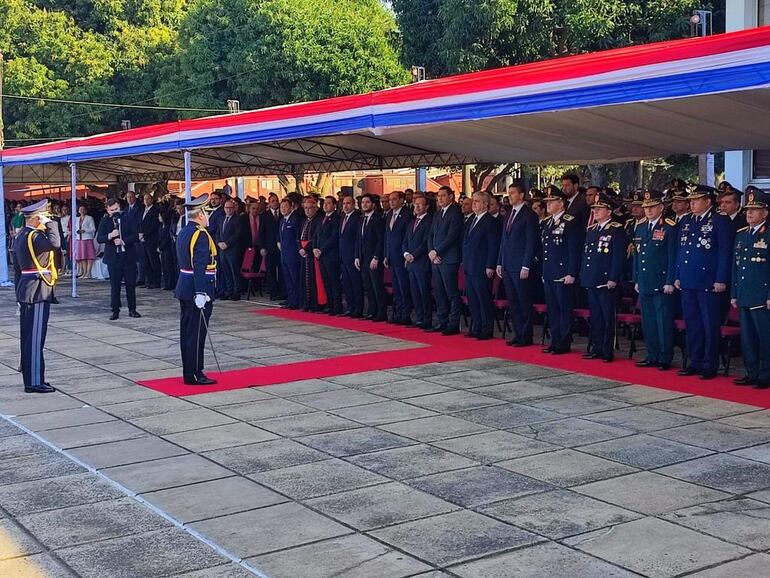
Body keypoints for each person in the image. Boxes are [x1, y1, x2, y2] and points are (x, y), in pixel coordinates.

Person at [675, 185, 734, 380]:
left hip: (709, 281)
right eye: (691, 200)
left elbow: (726, 252)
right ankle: (695, 361)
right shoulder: (686, 221)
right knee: (693, 324)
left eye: (696, 200)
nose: (691, 203)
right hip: (688, 280)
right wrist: (678, 274)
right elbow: (681, 251)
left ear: (708, 201)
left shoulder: (719, 220)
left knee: (709, 324)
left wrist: (721, 279)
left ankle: (710, 364)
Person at [13, 199, 60, 393]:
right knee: (35, 339)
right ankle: (33, 381)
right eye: (44, 216)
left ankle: (34, 377)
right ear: (36, 218)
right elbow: (55, 243)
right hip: (38, 290)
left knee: (28, 337)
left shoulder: (20, 236)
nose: (46, 219)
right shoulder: (35, 237)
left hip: (26, 288)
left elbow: (17, 269)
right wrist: (52, 224)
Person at [175, 194, 218, 386]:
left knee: (188, 332)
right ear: (200, 214)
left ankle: (189, 372)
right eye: (206, 213)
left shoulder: (185, 231)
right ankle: (195, 373)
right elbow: (199, 265)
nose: (208, 216)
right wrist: (201, 292)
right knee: (196, 333)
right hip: (197, 289)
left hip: (184, 286)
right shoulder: (200, 234)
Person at [633, 190, 678, 371]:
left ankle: (665, 356)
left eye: (652, 207)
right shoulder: (641, 227)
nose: (649, 210)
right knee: (648, 320)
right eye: (646, 207)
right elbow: (638, 256)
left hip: (661, 281)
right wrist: (636, 278)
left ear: (661, 207)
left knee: (663, 321)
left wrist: (670, 280)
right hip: (645, 280)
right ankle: (652, 354)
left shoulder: (669, 227)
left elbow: (672, 256)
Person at [580, 192, 627, 362]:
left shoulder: (616, 229)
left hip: (606, 280)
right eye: (594, 208)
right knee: (596, 316)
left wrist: (613, 278)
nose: (596, 211)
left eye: (600, 208)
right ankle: (596, 347)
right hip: (592, 278)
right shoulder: (592, 229)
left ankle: (607, 350)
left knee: (608, 317)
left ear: (609, 211)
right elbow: (587, 255)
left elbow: (618, 256)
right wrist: (584, 276)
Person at [732, 188, 770, 389]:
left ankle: (766, 373)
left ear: (765, 213)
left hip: (761, 295)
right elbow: (735, 266)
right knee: (747, 337)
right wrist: (734, 293)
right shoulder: (741, 235)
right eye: (748, 210)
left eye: (755, 210)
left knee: (764, 337)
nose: (749, 213)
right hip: (744, 293)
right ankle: (751, 371)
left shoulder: (768, 234)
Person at [497, 183, 539, 347]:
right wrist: (500, 262)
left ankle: (526, 335)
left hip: (520, 264)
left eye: (513, 193)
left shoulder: (529, 215)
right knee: (513, 301)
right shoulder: (508, 214)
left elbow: (530, 242)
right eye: (509, 193)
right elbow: (503, 240)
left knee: (523, 301)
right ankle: (518, 333)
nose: (510, 196)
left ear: (521, 195)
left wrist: (526, 265)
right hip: (508, 263)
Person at [541, 189, 580, 354]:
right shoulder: (547, 222)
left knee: (563, 309)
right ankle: (555, 340)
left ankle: (564, 342)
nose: (548, 204)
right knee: (553, 309)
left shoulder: (569, 221)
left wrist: (571, 273)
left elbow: (573, 249)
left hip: (563, 272)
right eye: (547, 201)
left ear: (561, 203)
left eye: (552, 201)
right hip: (550, 272)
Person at [463, 192, 500, 340]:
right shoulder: (472, 219)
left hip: (481, 266)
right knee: (473, 298)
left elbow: (493, 245)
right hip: (470, 265)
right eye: (474, 201)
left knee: (483, 298)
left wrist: (490, 265)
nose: (474, 204)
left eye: (478, 201)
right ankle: (476, 326)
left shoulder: (490, 221)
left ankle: (486, 328)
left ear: (485, 204)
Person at [96, 198, 141, 320]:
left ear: (119, 207)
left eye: (116, 209)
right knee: (114, 286)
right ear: (107, 210)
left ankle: (132, 309)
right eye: (112, 210)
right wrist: (110, 235)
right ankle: (115, 310)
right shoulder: (105, 220)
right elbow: (99, 237)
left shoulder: (128, 217)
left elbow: (135, 235)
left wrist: (123, 241)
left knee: (130, 285)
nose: (115, 212)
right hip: (113, 257)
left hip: (128, 256)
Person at [428, 186, 463, 335]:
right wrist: (431, 251)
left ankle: (454, 323)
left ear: (451, 196)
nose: (440, 198)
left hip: (449, 259)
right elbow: (431, 234)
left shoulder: (455, 212)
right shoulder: (437, 214)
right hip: (436, 259)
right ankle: (442, 321)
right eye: (438, 196)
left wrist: (438, 251)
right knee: (439, 291)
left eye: (443, 195)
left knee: (452, 293)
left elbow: (452, 235)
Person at [403, 195, 433, 328]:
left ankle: (427, 319)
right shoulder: (412, 222)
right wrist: (406, 253)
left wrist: (414, 255)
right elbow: (404, 241)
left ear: (426, 206)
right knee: (414, 292)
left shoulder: (430, 221)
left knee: (424, 291)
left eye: (420, 204)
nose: (417, 207)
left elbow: (426, 242)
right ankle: (419, 317)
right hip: (410, 263)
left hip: (421, 262)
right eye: (415, 204)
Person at [356, 194, 387, 321]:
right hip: (363, 258)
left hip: (374, 258)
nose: (364, 204)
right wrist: (357, 256)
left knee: (377, 286)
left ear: (373, 204)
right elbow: (358, 240)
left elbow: (381, 240)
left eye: (367, 202)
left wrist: (376, 257)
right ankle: (372, 310)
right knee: (368, 286)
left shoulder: (378, 219)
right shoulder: (361, 219)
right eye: (363, 202)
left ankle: (381, 312)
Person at [384, 191, 413, 324]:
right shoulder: (390, 214)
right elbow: (387, 237)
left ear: (401, 200)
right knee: (396, 287)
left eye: (394, 199)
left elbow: (406, 237)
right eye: (390, 199)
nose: (391, 202)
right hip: (391, 257)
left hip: (402, 257)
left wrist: (405, 253)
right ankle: (397, 313)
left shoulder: (407, 214)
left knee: (404, 287)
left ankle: (405, 315)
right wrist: (386, 254)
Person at [313, 196, 343, 315]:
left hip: (330, 255)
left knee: (334, 281)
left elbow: (334, 237)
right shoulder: (322, 218)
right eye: (324, 203)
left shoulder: (336, 218)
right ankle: (329, 305)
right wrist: (314, 247)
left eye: (329, 203)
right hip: (321, 255)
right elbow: (315, 235)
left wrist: (321, 249)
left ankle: (337, 306)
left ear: (334, 205)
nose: (325, 205)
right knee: (326, 282)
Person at [299, 196, 325, 311]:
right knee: (304, 280)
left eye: (310, 208)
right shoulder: (304, 221)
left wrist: (306, 249)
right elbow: (299, 237)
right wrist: (300, 248)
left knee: (314, 281)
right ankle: (306, 303)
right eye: (306, 208)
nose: (307, 210)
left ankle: (314, 304)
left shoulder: (318, 220)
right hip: (303, 254)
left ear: (315, 208)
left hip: (312, 254)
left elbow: (315, 238)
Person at [339, 195, 364, 318]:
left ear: (353, 204)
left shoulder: (357, 218)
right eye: (344, 203)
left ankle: (358, 309)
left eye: (348, 203)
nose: (345, 206)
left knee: (356, 283)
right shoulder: (343, 217)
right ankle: (350, 306)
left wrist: (356, 256)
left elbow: (358, 239)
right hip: (343, 256)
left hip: (352, 256)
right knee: (347, 283)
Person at [279, 196, 303, 309]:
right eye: (281, 207)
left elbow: (297, 237)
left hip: (293, 255)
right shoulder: (283, 220)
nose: (283, 209)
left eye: (285, 207)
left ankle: (297, 301)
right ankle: (290, 299)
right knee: (287, 279)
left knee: (295, 279)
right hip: (284, 254)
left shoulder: (295, 220)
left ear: (291, 207)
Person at [216, 198, 243, 300]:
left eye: (230, 208)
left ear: (234, 208)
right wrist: (218, 242)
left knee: (234, 271)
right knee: (226, 271)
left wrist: (227, 244)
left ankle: (236, 292)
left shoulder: (238, 219)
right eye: (226, 208)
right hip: (222, 249)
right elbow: (218, 232)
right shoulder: (221, 219)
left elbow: (237, 234)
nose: (228, 210)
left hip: (232, 249)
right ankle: (228, 290)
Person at [260, 193, 283, 300]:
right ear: (269, 203)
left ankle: (283, 291)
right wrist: (262, 247)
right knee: (271, 271)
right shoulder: (264, 215)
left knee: (282, 270)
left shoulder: (282, 214)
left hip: (281, 247)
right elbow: (261, 232)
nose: (275, 202)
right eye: (272, 201)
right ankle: (273, 292)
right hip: (269, 247)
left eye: (276, 200)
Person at [139, 193, 161, 288]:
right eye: (145, 199)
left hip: (151, 239)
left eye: (148, 199)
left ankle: (156, 281)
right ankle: (149, 280)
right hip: (143, 239)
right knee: (145, 260)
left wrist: (145, 233)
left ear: (151, 200)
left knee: (153, 261)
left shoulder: (155, 210)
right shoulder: (142, 210)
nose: (146, 201)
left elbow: (154, 225)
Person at [74, 205, 96, 279]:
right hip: (79, 239)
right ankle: (83, 272)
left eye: (83, 209)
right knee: (82, 257)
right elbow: (75, 228)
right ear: (78, 211)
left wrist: (85, 230)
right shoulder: (76, 219)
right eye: (80, 209)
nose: (82, 211)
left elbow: (93, 229)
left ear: (86, 210)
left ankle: (88, 272)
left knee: (89, 256)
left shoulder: (89, 218)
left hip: (87, 238)